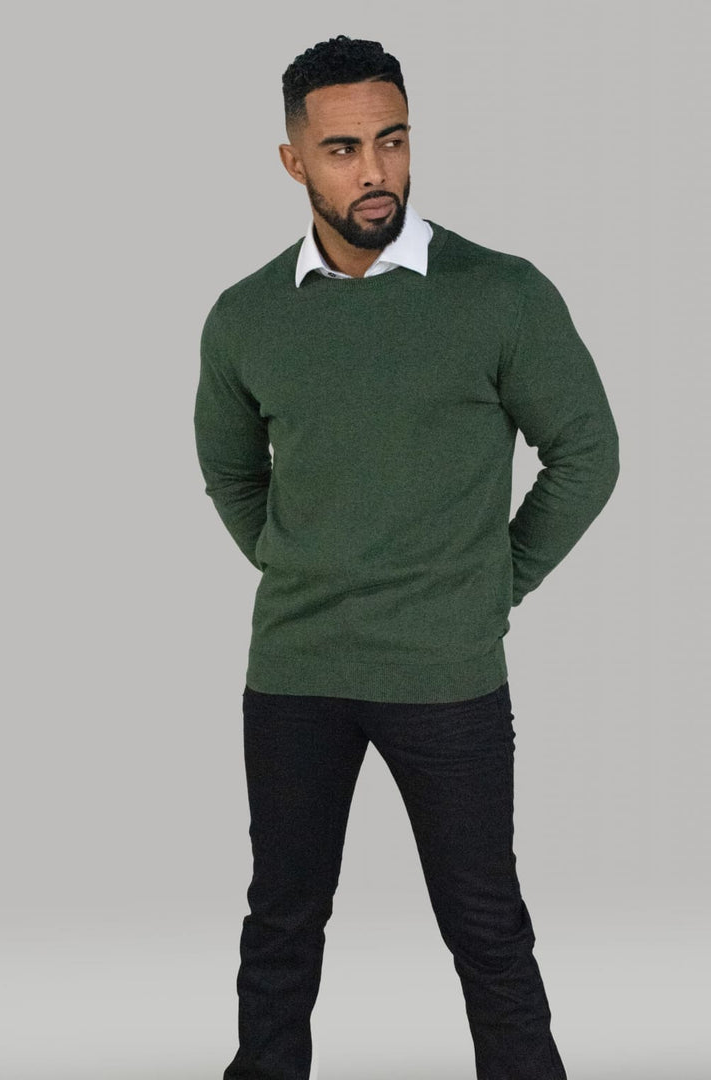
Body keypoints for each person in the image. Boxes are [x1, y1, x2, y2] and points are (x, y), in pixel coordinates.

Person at [194, 33, 619, 1080]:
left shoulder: (499, 293)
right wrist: (294, 563)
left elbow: (587, 453)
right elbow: (232, 473)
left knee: (486, 926)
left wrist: (494, 584)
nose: (375, 170)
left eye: (392, 140)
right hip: (295, 673)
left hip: (446, 675)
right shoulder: (246, 316)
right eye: (342, 149)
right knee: (281, 924)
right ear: (294, 161)